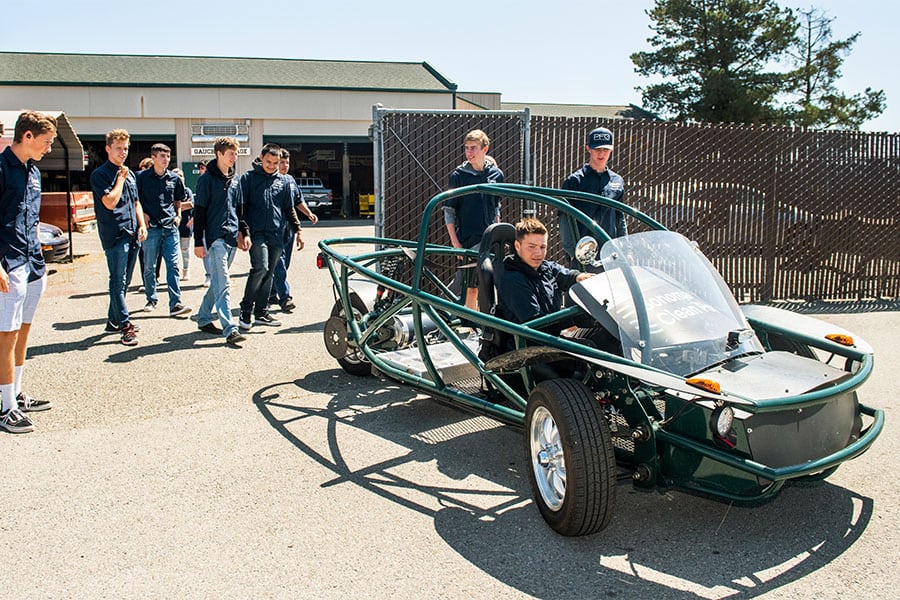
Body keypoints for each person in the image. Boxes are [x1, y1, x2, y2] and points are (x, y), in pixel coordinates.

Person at [0, 111, 57, 433]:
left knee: (22, 329)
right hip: (8, 261)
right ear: (28, 136)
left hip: (32, 260)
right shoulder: (1, 168)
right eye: (46, 142)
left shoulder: (32, 170)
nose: (49, 148)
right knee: (5, 334)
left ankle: (16, 393)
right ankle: (4, 406)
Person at [236, 143, 303, 331]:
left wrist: (298, 230)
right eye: (268, 162)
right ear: (261, 158)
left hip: (276, 234)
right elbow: (240, 208)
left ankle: (261, 313)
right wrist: (242, 232)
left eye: (275, 162)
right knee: (260, 268)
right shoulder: (248, 179)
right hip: (255, 233)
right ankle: (245, 310)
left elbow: (289, 208)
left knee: (270, 273)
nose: (272, 166)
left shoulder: (282, 181)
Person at [91, 129, 147, 346]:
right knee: (117, 280)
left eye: (125, 148)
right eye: (118, 148)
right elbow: (110, 202)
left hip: (133, 233)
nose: (123, 153)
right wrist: (120, 179)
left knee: (126, 280)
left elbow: (136, 203)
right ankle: (125, 325)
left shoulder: (130, 174)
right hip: (115, 234)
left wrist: (142, 225)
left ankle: (113, 321)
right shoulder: (101, 174)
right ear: (108, 149)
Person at [193, 137, 247, 346]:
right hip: (215, 238)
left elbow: (239, 211)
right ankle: (230, 329)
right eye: (231, 154)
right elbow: (200, 212)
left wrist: (245, 233)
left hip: (231, 238)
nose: (234, 157)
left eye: (236, 154)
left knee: (217, 282)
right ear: (219, 154)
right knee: (223, 283)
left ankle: (204, 317)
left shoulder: (235, 180)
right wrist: (199, 241)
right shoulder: (206, 180)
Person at [445, 129, 504, 310]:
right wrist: (455, 243)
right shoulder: (458, 176)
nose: (469, 152)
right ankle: (468, 324)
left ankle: (484, 324)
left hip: (490, 238)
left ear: (485, 149)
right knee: (469, 286)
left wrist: (498, 229)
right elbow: (449, 211)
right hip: (469, 239)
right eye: (467, 148)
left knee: (489, 284)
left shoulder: (496, 174)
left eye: (473, 148)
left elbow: (496, 206)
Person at [497, 217, 592, 327]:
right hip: (531, 341)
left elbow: (566, 275)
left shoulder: (545, 267)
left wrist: (580, 277)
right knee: (588, 344)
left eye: (543, 247)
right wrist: (574, 320)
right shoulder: (513, 280)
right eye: (531, 247)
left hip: (550, 334)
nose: (538, 253)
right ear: (518, 246)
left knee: (605, 334)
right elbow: (537, 325)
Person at [136, 143, 191, 317]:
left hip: (170, 228)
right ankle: (151, 299)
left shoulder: (174, 179)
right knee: (150, 266)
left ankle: (175, 303)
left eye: (168, 156)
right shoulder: (142, 178)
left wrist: (178, 215)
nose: (166, 159)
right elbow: (135, 200)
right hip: (151, 229)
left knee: (173, 265)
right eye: (162, 156)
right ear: (153, 158)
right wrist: (142, 216)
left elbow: (178, 200)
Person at [558, 126, 626, 264]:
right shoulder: (574, 181)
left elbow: (620, 218)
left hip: (610, 254)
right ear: (588, 148)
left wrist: (624, 249)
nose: (601, 154)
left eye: (605, 150)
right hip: (583, 253)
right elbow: (564, 219)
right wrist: (573, 253)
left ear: (612, 149)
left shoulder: (617, 181)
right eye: (597, 149)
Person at [270, 148, 316, 312]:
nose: (284, 165)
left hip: (288, 228)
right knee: (279, 263)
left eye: (287, 162)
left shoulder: (290, 180)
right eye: (281, 162)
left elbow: (298, 200)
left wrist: (309, 213)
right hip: (273, 228)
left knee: (285, 263)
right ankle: (285, 298)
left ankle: (271, 293)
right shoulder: (271, 180)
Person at [173, 168, 194, 281]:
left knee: (185, 249)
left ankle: (186, 271)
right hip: (172, 225)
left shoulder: (187, 191)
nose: (179, 177)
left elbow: (191, 204)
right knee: (173, 251)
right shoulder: (170, 190)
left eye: (181, 175)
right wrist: (180, 205)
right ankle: (174, 273)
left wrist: (177, 205)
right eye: (177, 175)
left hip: (185, 224)